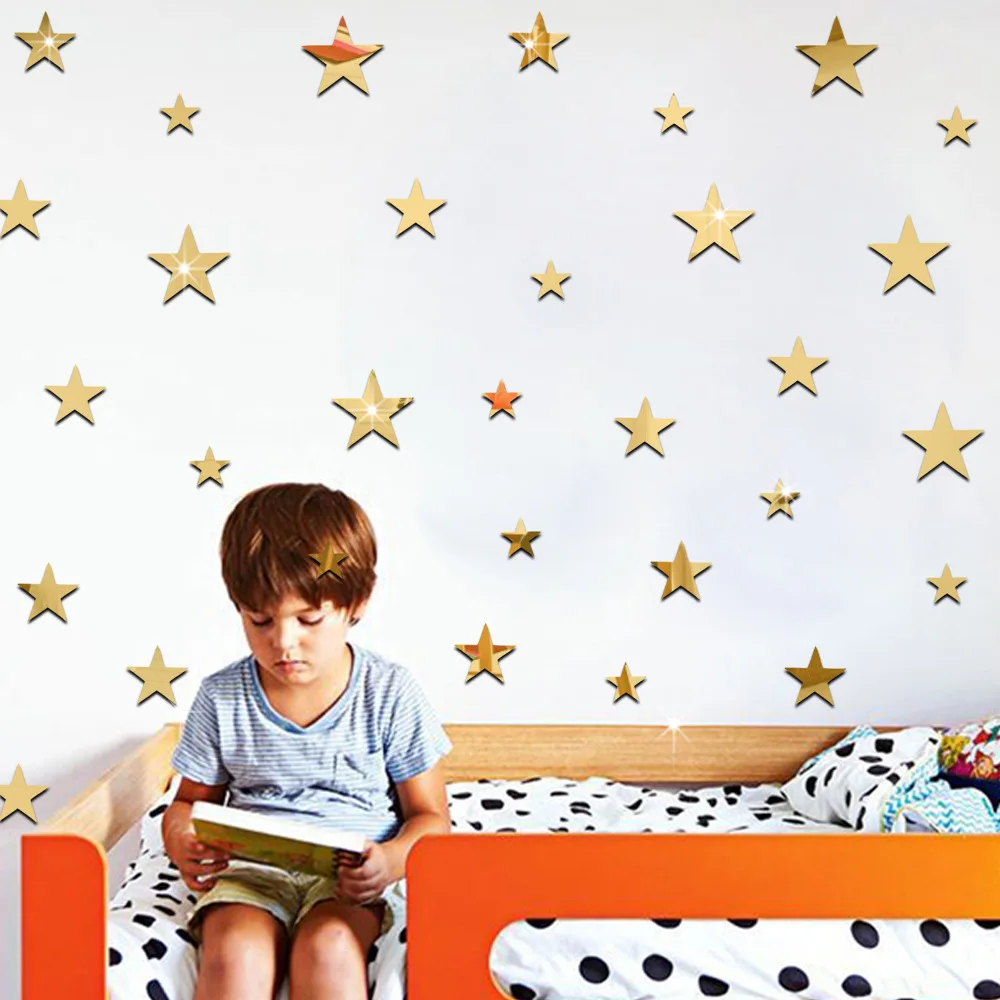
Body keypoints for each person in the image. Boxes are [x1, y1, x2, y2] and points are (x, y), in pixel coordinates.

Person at [162, 482, 453, 1000]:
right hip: (251, 874)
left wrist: (389, 862)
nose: (283, 641)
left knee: (329, 949)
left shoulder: (389, 692)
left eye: (309, 619)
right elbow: (186, 804)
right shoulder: (222, 697)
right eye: (259, 620)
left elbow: (431, 819)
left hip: (349, 882)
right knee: (236, 952)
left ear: (356, 603)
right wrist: (181, 838)